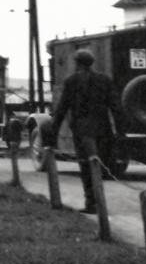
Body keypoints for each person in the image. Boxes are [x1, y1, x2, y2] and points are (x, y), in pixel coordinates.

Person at [47, 49, 120, 214]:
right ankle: (99, 202)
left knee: (86, 167)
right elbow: (115, 107)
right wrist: (120, 132)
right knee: (99, 165)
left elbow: (62, 109)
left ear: (77, 63)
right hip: (103, 129)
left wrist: (53, 134)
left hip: (81, 131)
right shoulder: (105, 80)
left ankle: (91, 203)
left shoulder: (71, 81)